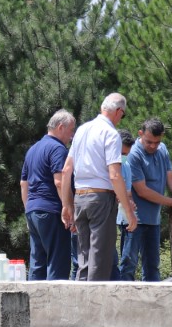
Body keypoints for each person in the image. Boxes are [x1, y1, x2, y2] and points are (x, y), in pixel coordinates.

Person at [60, 93, 139, 281]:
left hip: (80, 197)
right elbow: (114, 174)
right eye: (123, 114)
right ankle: (93, 309)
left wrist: (66, 204)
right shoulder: (111, 134)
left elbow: (66, 170)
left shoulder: (81, 131)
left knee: (84, 259)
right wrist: (128, 211)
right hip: (101, 199)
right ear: (119, 111)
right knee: (100, 260)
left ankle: (80, 305)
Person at [119, 118, 172, 281]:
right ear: (140, 134)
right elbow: (142, 191)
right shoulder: (133, 154)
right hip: (133, 218)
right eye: (149, 142)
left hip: (153, 220)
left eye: (157, 142)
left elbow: (171, 179)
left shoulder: (162, 149)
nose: (153, 146)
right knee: (129, 264)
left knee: (152, 267)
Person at [20, 110, 76, 280]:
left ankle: (33, 304)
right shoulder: (58, 149)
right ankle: (54, 306)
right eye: (71, 130)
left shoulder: (33, 149)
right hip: (52, 211)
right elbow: (59, 182)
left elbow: (24, 184)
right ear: (60, 127)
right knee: (57, 263)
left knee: (37, 263)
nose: (72, 136)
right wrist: (68, 209)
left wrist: (29, 209)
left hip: (33, 211)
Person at [113, 129, 135, 280]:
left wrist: (129, 203)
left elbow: (127, 193)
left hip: (124, 217)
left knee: (128, 259)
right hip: (110, 216)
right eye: (121, 153)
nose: (123, 157)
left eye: (126, 154)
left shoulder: (125, 166)